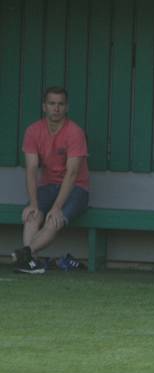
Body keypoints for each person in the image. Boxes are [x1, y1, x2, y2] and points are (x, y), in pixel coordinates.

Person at [12, 86, 90, 274]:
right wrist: (33, 203)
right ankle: (30, 262)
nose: (56, 108)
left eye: (61, 104)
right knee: (32, 214)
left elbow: (72, 173)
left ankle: (25, 256)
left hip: (76, 189)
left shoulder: (75, 132)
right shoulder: (33, 131)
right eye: (52, 103)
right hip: (47, 186)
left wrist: (56, 207)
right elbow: (31, 169)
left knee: (54, 220)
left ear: (67, 107)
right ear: (44, 106)